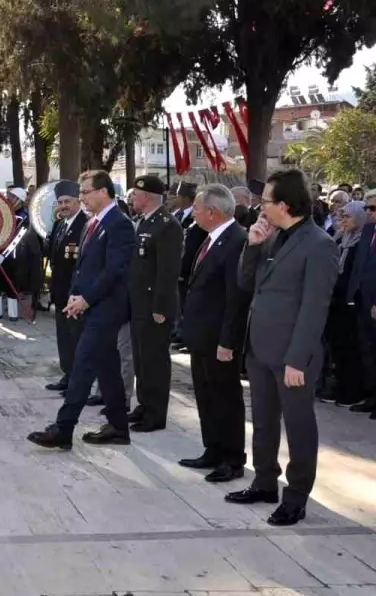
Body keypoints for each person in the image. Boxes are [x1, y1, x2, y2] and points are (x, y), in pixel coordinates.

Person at [228, 169, 337, 526]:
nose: (262, 208)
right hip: (259, 349)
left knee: (299, 426)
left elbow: (314, 308)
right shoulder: (272, 238)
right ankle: (263, 482)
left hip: (293, 355)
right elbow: (247, 285)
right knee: (262, 421)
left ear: (286, 205)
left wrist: (297, 360)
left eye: (267, 202)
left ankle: (296, 496)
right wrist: (253, 246)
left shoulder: (319, 245)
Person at [27, 169, 135, 449]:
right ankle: (118, 427)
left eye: (86, 192)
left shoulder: (119, 224)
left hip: (107, 309)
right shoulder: (92, 224)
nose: (82, 197)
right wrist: (77, 298)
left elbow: (114, 270)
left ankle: (63, 429)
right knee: (107, 366)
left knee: (83, 366)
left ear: (103, 192)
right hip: (89, 305)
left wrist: (86, 299)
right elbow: (83, 268)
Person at [178, 185, 251, 482]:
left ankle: (232, 459)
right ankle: (213, 449)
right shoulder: (211, 238)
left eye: (196, 208)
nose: (193, 213)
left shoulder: (236, 241)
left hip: (219, 338)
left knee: (225, 397)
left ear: (212, 212)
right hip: (201, 335)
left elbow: (237, 298)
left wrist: (228, 341)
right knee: (206, 396)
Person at [126, 175, 183, 432]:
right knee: (141, 359)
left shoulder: (167, 225)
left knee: (155, 362)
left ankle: (155, 414)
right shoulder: (145, 222)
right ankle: (144, 404)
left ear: (147, 197)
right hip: (139, 303)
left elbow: (167, 272)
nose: (132, 200)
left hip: (154, 307)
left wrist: (160, 308)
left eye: (136, 196)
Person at [43, 180, 87, 392]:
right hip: (60, 292)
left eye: (67, 201)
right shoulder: (59, 224)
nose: (63, 206)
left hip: (77, 294)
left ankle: (79, 382)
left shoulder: (86, 225)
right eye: (60, 202)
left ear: (78, 201)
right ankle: (68, 375)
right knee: (64, 339)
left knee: (77, 339)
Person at [323, 201, 368, 407]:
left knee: (351, 349)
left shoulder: (361, 242)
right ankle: (341, 386)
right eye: (341, 217)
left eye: (347, 217)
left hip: (350, 304)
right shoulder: (342, 239)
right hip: (335, 302)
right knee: (338, 347)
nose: (342, 221)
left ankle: (353, 391)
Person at [348, 192, 376, 415]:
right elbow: (359, 265)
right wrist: (352, 293)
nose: (369, 212)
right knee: (366, 349)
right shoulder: (367, 231)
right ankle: (371, 396)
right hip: (361, 300)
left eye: (373, 209)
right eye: (367, 208)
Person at [0, 186, 32, 320]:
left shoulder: (24, 217)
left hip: (13, 256)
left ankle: (13, 312)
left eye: (11, 197)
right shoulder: (2, 212)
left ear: (19, 200)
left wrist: (4, 255)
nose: (7, 199)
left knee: (12, 283)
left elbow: (18, 239)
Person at [170, 181, 206, 351]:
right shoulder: (177, 215)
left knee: (186, 304)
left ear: (186, 198)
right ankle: (179, 332)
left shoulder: (197, 218)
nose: (175, 199)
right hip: (180, 266)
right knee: (180, 303)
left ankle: (185, 335)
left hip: (190, 268)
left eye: (178, 195)